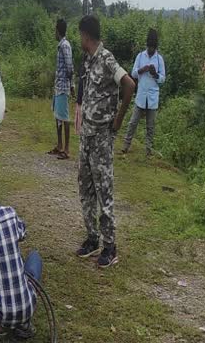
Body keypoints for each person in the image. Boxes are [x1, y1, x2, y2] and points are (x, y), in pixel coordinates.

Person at [75, 15, 134, 268]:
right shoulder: (88, 60)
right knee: (85, 187)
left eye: (80, 35)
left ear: (86, 35)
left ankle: (110, 246)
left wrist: (118, 120)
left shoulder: (107, 58)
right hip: (87, 135)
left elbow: (129, 85)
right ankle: (92, 238)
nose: (80, 39)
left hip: (101, 137)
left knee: (104, 190)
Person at [0, 170, 41, 339]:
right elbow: (22, 233)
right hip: (27, 307)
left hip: (0, 311)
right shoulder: (10, 212)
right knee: (34, 257)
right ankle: (24, 325)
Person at [122, 29, 166, 158]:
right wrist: (142, 70)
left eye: (153, 48)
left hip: (152, 97)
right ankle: (125, 146)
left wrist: (155, 74)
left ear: (156, 47)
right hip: (141, 95)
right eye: (149, 47)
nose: (151, 49)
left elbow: (163, 79)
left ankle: (148, 150)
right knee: (133, 122)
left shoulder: (159, 59)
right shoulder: (140, 56)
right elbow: (133, 73)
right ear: (147, 45)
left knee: (150, 126)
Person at [48, 19, 74, 160]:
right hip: (58, 86)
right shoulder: (61, 45)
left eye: (54, 30)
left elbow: (70, 68)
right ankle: (59, 146)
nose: (54, 32)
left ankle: (67, 149)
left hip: (63, 87)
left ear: (58, 30)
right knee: (57, 116)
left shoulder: (65, 46)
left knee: (64, 118)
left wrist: (70, 85)